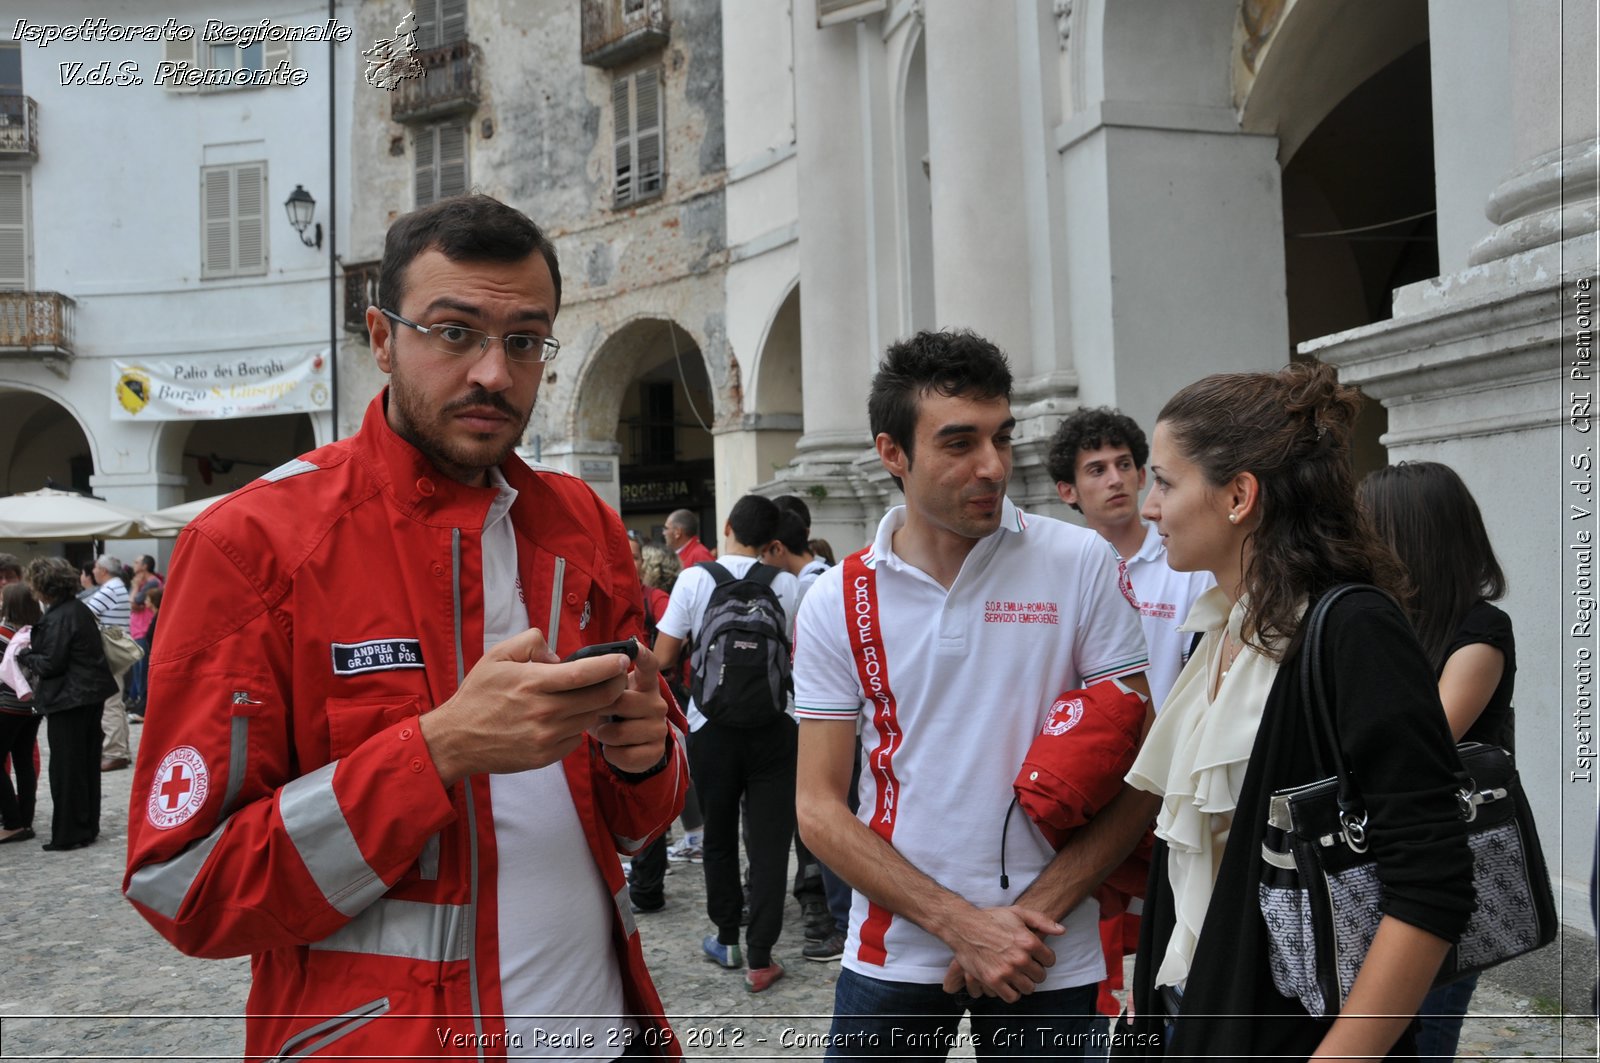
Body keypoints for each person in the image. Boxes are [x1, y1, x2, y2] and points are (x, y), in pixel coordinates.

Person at [122, 195, 688, 1061]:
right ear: (382, 340)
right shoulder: (252, 546)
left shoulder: (583, 523)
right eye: (454, 332)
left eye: (525, 340)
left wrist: (644, 755)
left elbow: (636, 822)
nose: (495, 374)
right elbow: (184, 887)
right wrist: (436, 752)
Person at [793, 329, 1154, 1058]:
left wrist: (1018, 923)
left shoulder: (1078, 560)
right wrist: (961, 923)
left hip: (1048, 946)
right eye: (959, 443)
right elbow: (817, 806)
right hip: (893, 944)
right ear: (892, 453)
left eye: (1002, 437)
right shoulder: (838, 596)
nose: (992, 466)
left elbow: (1144, 773)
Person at [1124, 362, 1474, 1060]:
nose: (1147, 506)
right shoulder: (1219, 627)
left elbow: (1431, 882)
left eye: (1164, 481)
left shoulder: (1353, 628)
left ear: (1239, 496)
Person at [1360, 460, 1514, 1063]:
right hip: (1380, 867)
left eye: (1367, 527)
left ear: (1406, 539)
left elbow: (1421, 743)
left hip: (1450, 871)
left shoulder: (1479, 633)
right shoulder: (1379, 623)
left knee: (1426, 1040)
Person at [652, 493, 800, 994]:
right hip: (775, 726)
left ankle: (726, 938)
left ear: (730, 527)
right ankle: (761, 957)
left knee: (717, 835)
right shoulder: (788, 583)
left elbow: (663, 655)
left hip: (709, 725)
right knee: (770, 839)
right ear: (772, 540)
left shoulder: (696, 579)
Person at [1047, 407, 1214, 711]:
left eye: (1123, 465)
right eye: (1097, 470)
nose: (1115, 480)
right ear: (1068, 491)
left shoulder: (1188, 564)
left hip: (1169, 751)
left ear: (1140, 476)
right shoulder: (1055, 572)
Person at [20, 557, 118, 851]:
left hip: (69, 698)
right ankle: (86, 826)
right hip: (89, 695)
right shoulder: (78, 609)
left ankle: (69, 833)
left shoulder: (58, 616)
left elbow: (51, 663)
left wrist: (24, 655)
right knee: (85, 764)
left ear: (42, 586)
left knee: (66, 768)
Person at [0, 581, 44, 843]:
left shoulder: (3, 632)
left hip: (7, 704)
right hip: (32, 706)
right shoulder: (38, 630)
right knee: (24, 761)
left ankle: (13, 821)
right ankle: (25, 819)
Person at [83, 554, 134, 772]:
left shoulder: (109, 589)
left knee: (110, 703)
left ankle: (115, 753)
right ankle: (121, 750)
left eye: (95, 568)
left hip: (110, 650)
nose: (92, 571)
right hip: (119, 648)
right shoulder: (117, 586)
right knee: (116, 701)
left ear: (103, 570)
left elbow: (85, 614)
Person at [125, 555, 163, 720]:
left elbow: (133, 602)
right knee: (138, 671)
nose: (134, 565)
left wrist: (134, 587)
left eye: (137, 562)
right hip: (138, 631)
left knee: (142, 672)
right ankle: (141, 706)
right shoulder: (145, 583)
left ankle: (143, 708)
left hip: (144, 630)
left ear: (145, 566)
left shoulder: (152, 583)